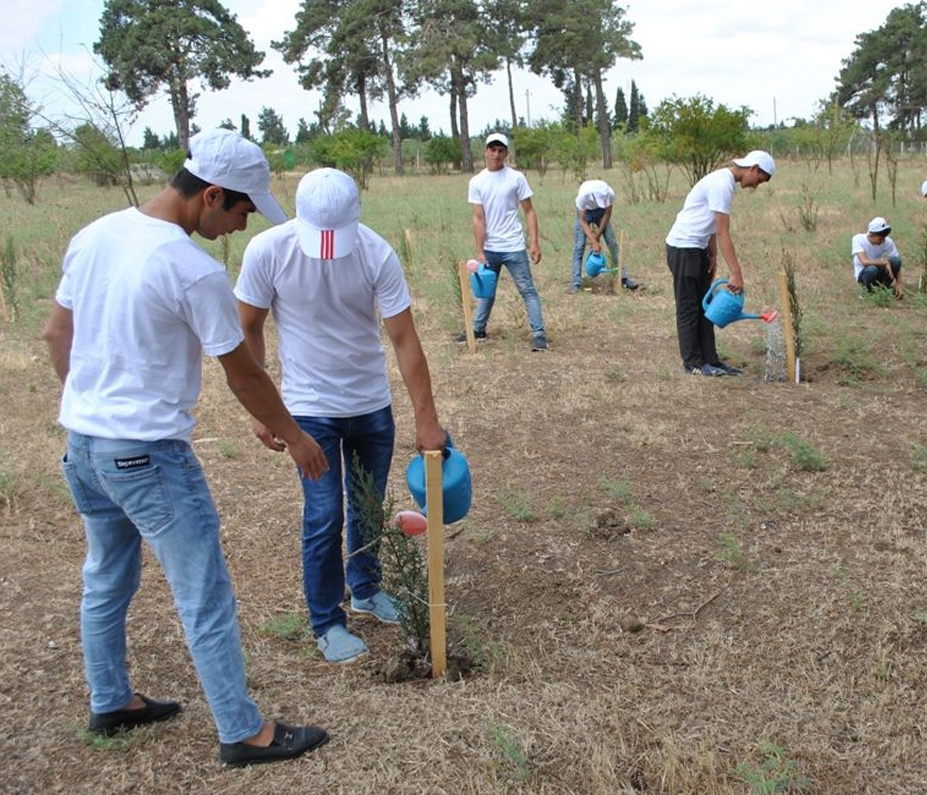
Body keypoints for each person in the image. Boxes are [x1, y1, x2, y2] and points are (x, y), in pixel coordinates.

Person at [41, 128, 330, 767]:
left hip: (86, 447)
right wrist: (295, 434)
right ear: (212, 195)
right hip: (148, 457)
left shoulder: (95, 235)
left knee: (106, 576)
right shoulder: (190, 267)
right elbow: (244, 372)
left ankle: (111, 699)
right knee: (204, 591)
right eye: (241, 212)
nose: (239, 227)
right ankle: (243, 731)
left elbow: (56, 331)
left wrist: (89, 404)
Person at [235, 167, 446, 665]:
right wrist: (261, 407)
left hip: (370, 404)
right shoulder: (268, 251)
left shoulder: (376, 253)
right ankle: (327, 620)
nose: (328, 247)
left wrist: (426, 418)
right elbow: (248, 327)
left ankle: (367, 588)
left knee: (368, 506)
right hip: (309, 411)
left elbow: (404, 338)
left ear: (357, 216)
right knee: (325, 514)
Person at [664, 150, 775, 376]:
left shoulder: (725, 182)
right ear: (753, 168)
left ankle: (711, 361)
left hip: (698, 248)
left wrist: (711, 253)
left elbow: (712, 224)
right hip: (683, 247)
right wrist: (736, 274)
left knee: (707, 308)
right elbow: (724, 231)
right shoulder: (721, 184)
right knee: (689, 308)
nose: (756, 185)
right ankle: (693, 365)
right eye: (759, 180)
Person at [463, 133, 548, 351]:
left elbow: (529, 211)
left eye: (501, 150)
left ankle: (539, 334)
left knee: (527, 289)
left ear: (506, 153)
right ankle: (478, 329)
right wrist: (480, 250)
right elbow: (478, 218)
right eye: (492, 149)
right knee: (486, 291)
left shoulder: (516, 178)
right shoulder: (477, 181)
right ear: (485, 151)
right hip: (490, 248)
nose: (496, 154)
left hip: (514, 246)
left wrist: (534, 242)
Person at [571, 179, 639, 292]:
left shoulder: (610, 194)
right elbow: (582, 220)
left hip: (601, 213)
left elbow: (607, 214)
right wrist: (593, 241)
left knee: (613, 244)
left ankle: (624, 278)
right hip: (585, 213)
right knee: (579, 246)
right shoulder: (583, 195)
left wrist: (597, 236)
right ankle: (576, 284)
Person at [852, 216, 903, 298]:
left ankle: (884, 287)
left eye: (884, 238)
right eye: (880, 239)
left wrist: (899, 284)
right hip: (865, 273)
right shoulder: (858, 239)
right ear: (871, 235)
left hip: (878, 271)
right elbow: (864, 262)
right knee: (872, 269)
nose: (882, 241)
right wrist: (884, 262)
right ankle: (868, 290)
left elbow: (898, 264)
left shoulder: (888, 242)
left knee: (895, 261)